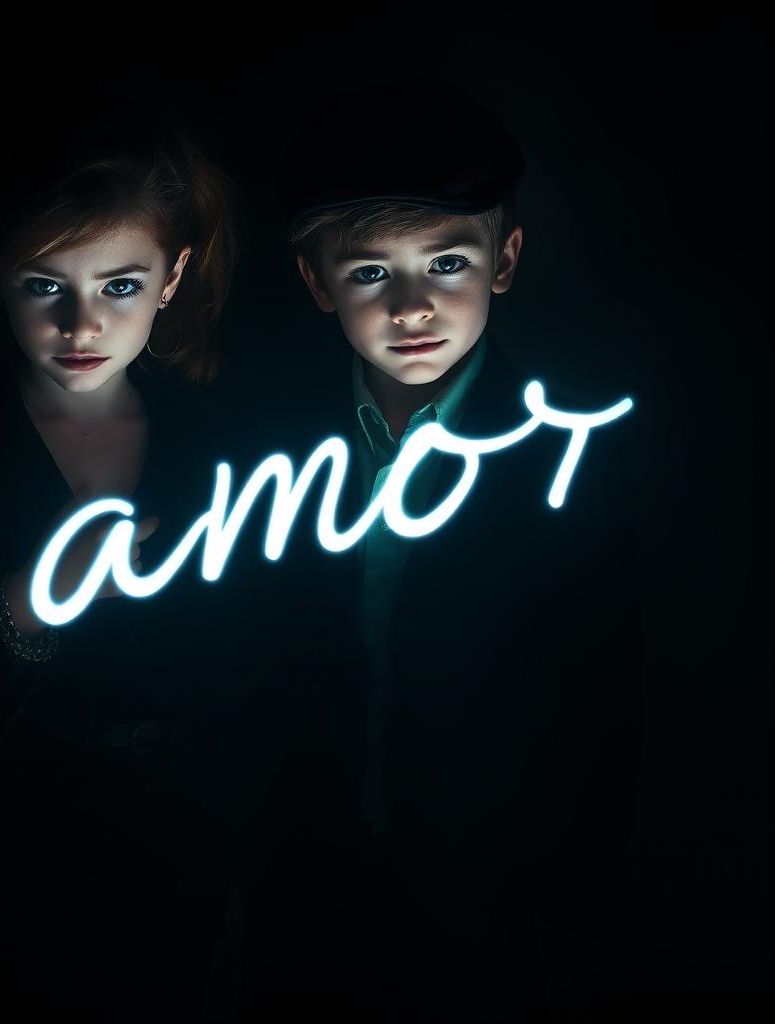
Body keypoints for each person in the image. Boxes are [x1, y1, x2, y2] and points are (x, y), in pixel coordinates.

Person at [0, 111, 266, 1019]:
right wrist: (29, 602)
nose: (81, 323)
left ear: (175, 278)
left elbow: (254, 668)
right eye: (46, 284)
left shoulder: (219, 443)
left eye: (120, 284)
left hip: (173, 864)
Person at [257, 78, 646, 1021]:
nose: (412, 306)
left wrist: (578, 901)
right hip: (299, 883)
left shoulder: (565, 453)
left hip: (488, 887)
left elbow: (598, 688)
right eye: (368, 273)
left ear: (504, 258)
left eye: (447, 263)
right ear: (315, 282)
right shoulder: (260, 446)